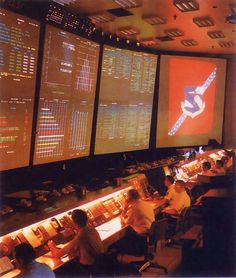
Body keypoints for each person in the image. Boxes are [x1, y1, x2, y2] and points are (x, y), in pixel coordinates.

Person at [109, 189, 155, 256]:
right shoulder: (147, 204)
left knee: (127, 231)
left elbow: (125, 223)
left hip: (143, 231)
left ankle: (130, 252)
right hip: (151, 228)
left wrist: (125, 208)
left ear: (129, 199)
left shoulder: (134, 208)